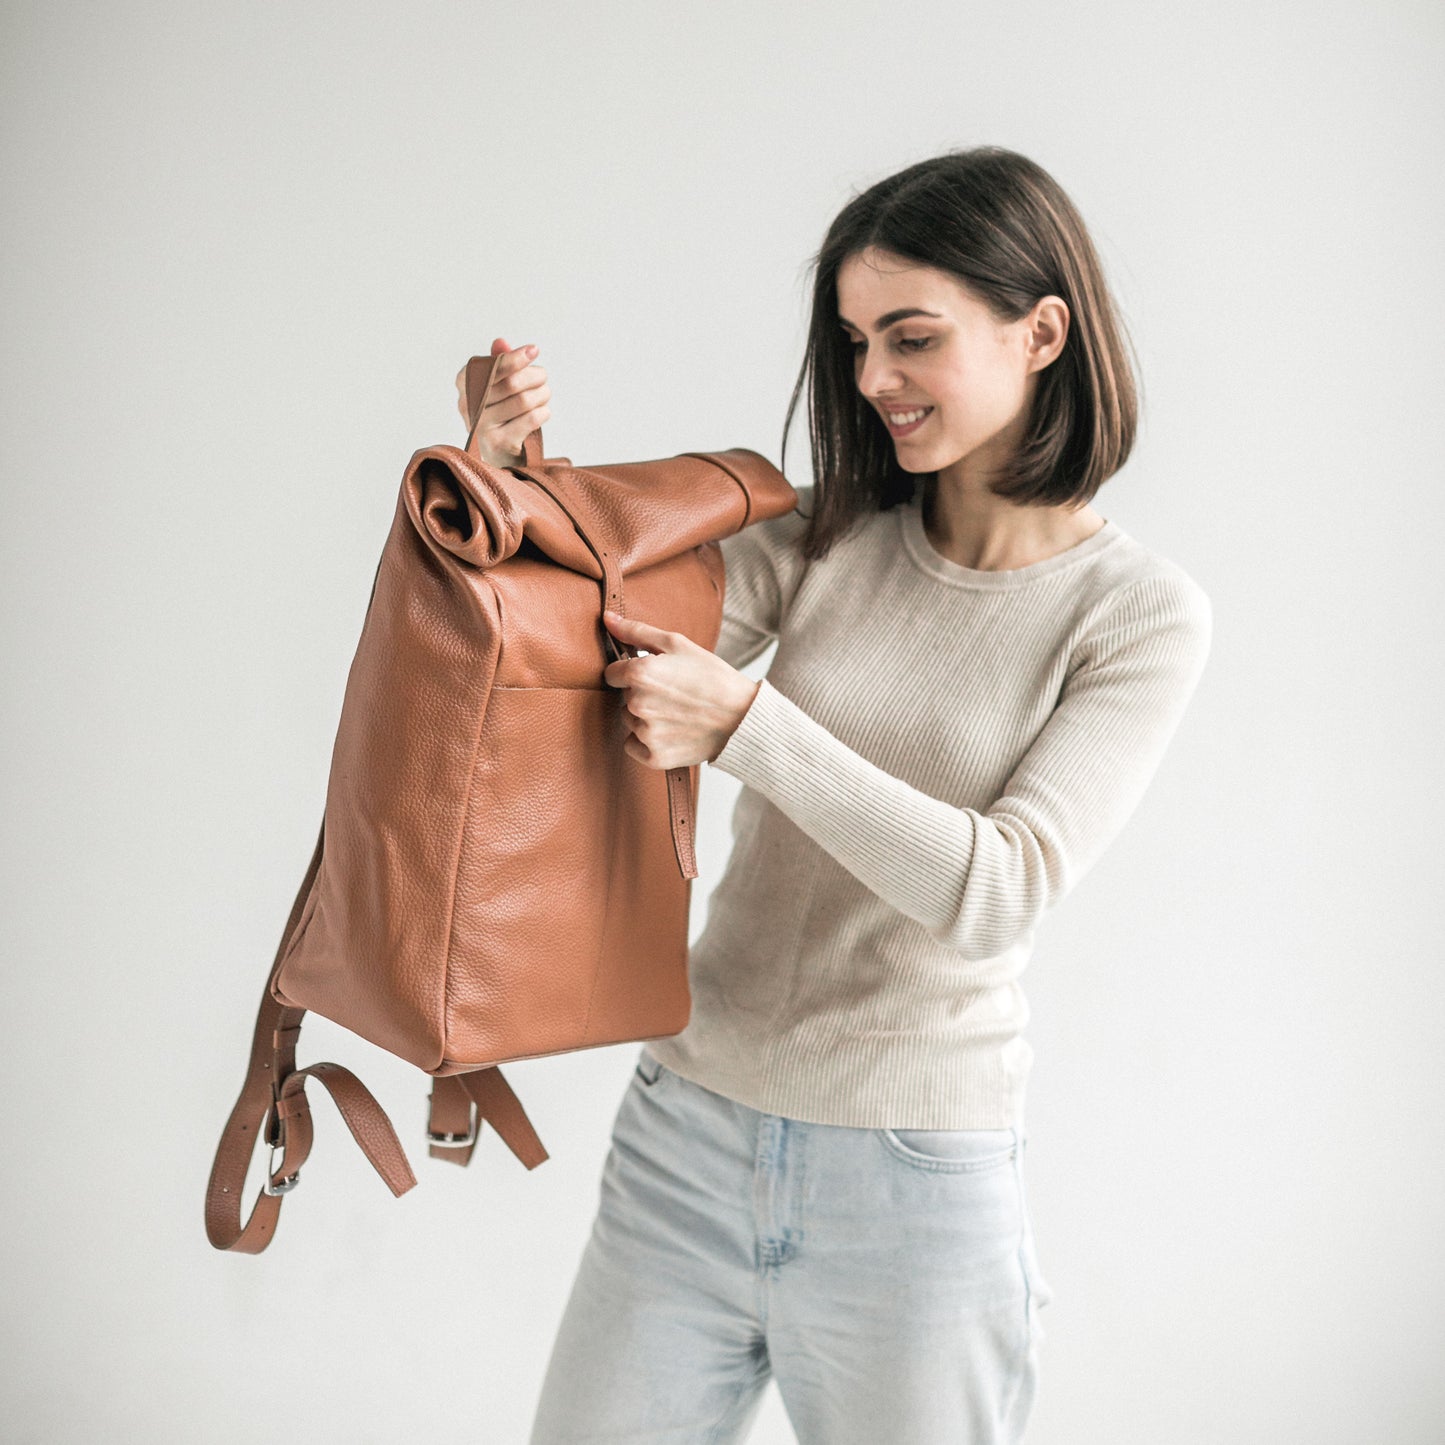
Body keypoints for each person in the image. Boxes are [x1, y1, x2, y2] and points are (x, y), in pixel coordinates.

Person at [461, 145, 1213, 1445]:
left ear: (1041, 331)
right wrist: (509, 479)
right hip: (682, 1140)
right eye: (856, 340)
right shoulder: (824, 534)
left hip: (912, 1184)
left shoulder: (1133, 614)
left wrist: (749, 722)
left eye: (910, 338)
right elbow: (591, 634)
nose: (869, 380)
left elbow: (997, 889)